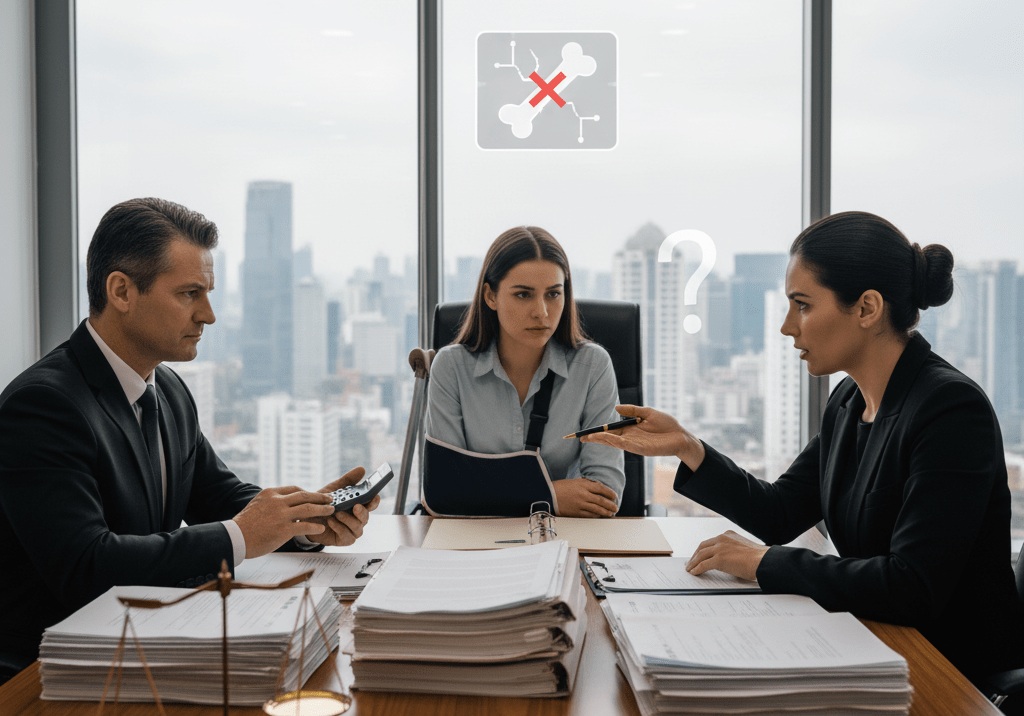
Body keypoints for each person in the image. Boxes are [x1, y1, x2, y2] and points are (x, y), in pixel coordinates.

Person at [583, 211, 1024, 684]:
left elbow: (912, 586)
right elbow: (779, 512)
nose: (787, 327)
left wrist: (764, 562)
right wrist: (688, 447)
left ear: (867, 308)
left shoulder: (950, 411)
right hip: (874, 642)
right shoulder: (849, 401)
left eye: (803, 305)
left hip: (948, 672)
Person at [0, 197, 379, 683]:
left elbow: (218, 496)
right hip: (49, 673)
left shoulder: (169, 389)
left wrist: (305, 520)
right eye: (189, 294)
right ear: (121, 290)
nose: (209, 315)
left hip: (144, 643)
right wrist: (243, 535)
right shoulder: (43, 406)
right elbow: (86, 565)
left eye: (209, 293)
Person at [425, 226, 624, 517]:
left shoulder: (593, 367)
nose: (541, 312)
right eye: (523, 295)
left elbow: (604, 494)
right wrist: (550, 494)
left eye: (554, 294)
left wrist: (482, 491)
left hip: (563, 541)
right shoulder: (450, 368)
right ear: (490, 296)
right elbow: (443, 492)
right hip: (471, 547)